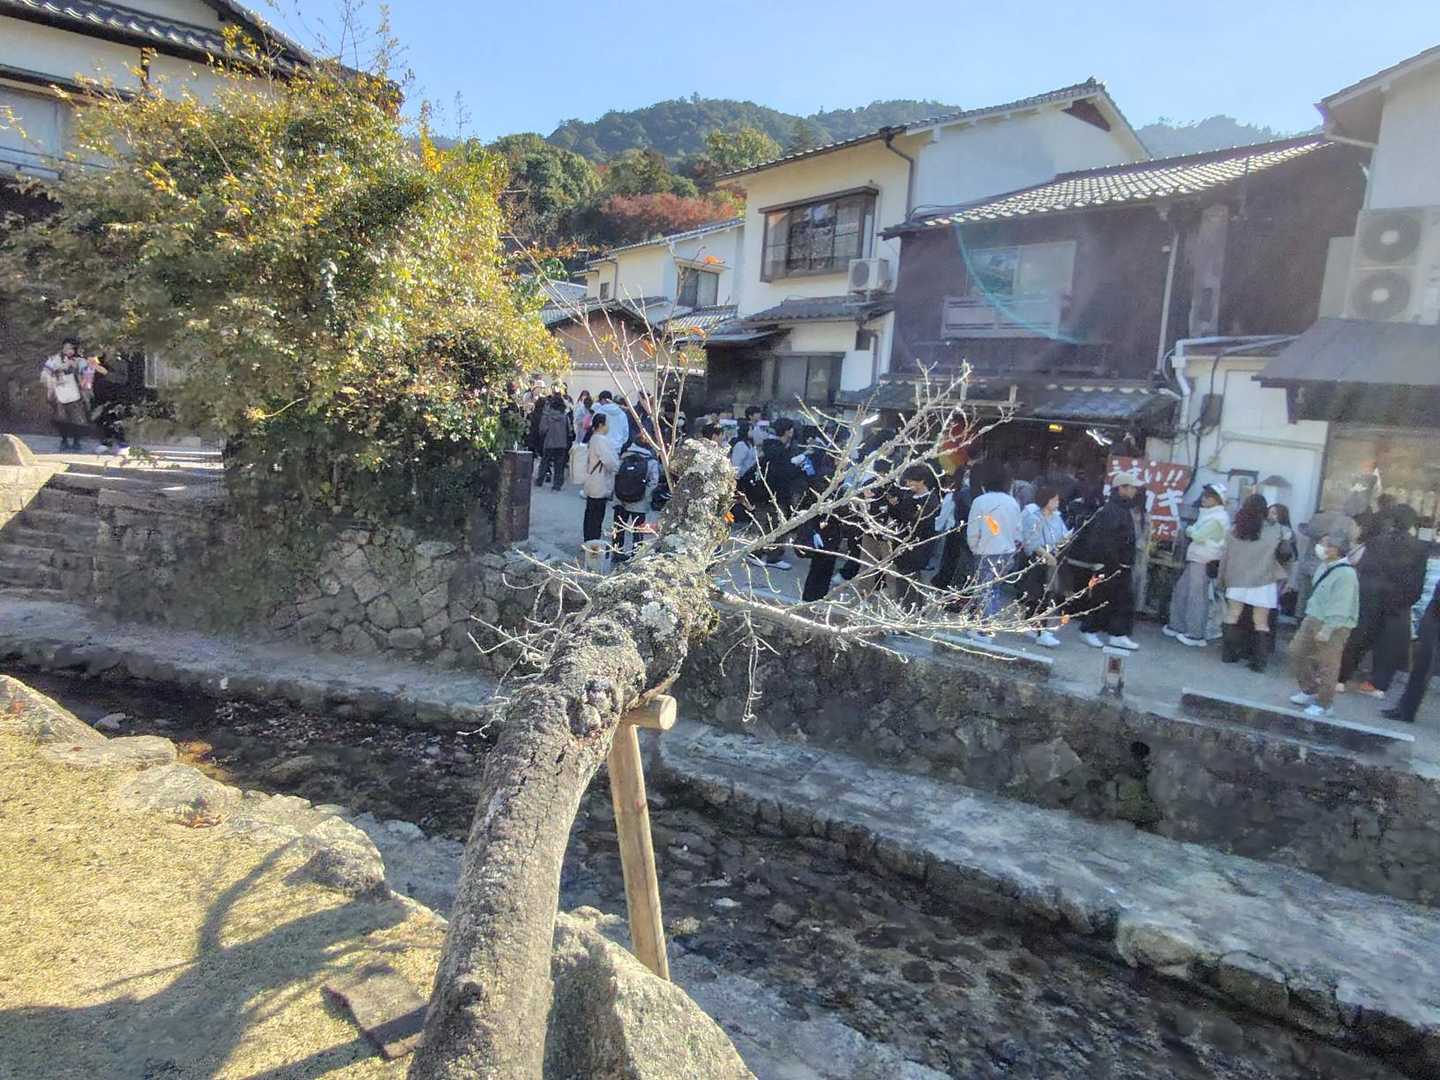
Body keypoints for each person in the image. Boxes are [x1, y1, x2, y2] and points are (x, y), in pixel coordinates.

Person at [1341, 505, 1428, 697]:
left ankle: (1342, 677)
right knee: (1389, 645)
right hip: (1399, 602)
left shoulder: (1376, 542)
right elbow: (1418, 581)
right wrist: (1407, 601)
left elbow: (1366, 569)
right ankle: (1377, 684)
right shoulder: (1419, 547)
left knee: (1358, 638)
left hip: (1372, 597)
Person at [1068, 470, 1141, 651]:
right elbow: (1103, 540)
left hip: (1122, 564)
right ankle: (1088, 630)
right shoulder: (1110, 510)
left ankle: (1118, 634)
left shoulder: (1123, 509)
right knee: (1101, 598)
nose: (1134, 491)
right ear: (1121, 488)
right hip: (1110, 564)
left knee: (1121, 601)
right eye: (1131, 487)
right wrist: (1111, 562)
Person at [1289, 533, 1360, 718]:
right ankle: (1309, 689)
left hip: (1333, 623)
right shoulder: (1324, 566)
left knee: (1328, 664)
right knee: (1297, 651)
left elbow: (1341, 604)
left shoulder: (1346, 573)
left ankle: (1324, 703)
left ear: (1337, 549)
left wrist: (1328, 629)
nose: (1322, 548)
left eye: (1327, 545)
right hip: (1313, 616)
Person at [1217, 493, 1288, 673]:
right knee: (1261, 622)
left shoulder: (1235, 530)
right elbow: (1285, 553)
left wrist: (1221, 579)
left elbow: (1225, 557)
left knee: (1232, 615)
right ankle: (1259, 662)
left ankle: (1228, 654)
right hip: (1263, 580)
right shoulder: (1274, 531)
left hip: (1237, 579)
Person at [1163, 482, 1229, 647]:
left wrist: (1190, 530)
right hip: (1196, 558)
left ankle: (1196, 634)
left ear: (1218, 500)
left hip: (1204, 560)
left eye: (1209, 496)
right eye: (1204, 495)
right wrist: (1193, 531)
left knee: (1197, 597)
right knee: (1182, 591)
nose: (1204, 499)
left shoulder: (1218, 518)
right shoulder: (1208, 514)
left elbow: (1198, 535)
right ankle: (1178, 625)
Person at [965, 461, 1022, 622]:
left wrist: (975, 548)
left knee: (983, 590)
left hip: (985, 551)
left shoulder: (980, 501)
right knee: (995, 589)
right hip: (1007, 553)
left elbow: (973, 530)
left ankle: (984, 626)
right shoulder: (1012, 502)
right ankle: (987, 622)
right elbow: (1018, 531)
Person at [747, 418, 804, 570]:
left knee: (767, 525)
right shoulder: (779, 450)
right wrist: (797, 466)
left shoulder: (771, 446)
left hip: (766, 493)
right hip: (774, 493)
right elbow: (783, 473)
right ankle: (765, 555)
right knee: (775, 526)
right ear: (787, 431)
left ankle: (761, 554)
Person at [1019, 484, 1070, 647]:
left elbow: (1063, 535)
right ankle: (1041, 631)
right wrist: (1047, 556)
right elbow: (1032, 542)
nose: (1057, 503)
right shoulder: (1033, 517)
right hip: (1038, 559)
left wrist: (1064, 541)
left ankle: (1033, 626)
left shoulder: (1057, 517)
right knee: (1040, 595)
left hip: (1053, 556)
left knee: (1046, 595)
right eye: (1054, 500)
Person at [1384, 576, 1439, 725]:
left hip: (1435, 619)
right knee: (1421, 668)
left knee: (1423, 667)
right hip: (1433, 618)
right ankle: (1406, 708)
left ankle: (1406, 709)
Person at [889, 465, 940, 608]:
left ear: (922, 481)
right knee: (907, 579)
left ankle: (908, 610)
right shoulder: (909, 496)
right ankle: (915, 609)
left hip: (918, 546)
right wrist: (893, 506)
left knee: (908, 580)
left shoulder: (930, 500)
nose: (907, 483)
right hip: (903, 544)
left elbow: (917, 522)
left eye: (911, 480)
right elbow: (899, 517)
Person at [611, 442, 660, 564]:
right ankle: (636, 555)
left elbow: (615, 474)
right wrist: (644, 495)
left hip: (620, 499)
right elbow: (654, 481)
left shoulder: (623, 457)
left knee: (618, 528)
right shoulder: (651, 461)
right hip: (639, 503)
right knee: (638, 530)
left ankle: (617, 553)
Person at [40, 339, 92, 451]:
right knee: (61, 418)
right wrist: (55, 376)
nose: (69, 350)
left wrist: (84, 383)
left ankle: (76, 441)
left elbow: (88, 376)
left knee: (78, 419)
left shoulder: (81, 361)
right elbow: (44, 376)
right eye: (67, 347)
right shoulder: (54, 359)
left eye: (72, 348)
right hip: (59, 393)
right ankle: (64, 440)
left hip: (77, 394)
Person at [931, 468, 974, 591]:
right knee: (958, 561)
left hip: (954, 531)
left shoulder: (954, 495)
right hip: (965, 532)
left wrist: (937, 528)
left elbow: (943, 516)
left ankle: (944, 584)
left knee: (950, 560)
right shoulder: (973, 495)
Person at [582, 413, 620, 543]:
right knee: (596, 515)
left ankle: (588, 539)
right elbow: (609, 461)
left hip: (592, 480)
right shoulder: (600, 440)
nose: (608, 427)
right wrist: (617, 467)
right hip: (599, 481)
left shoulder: (593, 438)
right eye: (607, 424)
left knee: (590, 513)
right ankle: (593, 541)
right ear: (601, 425)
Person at [534, 392, 571, 491]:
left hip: (549, 442)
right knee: (559, 464)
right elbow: (569, 430)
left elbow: (542, 430)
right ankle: (557, 484)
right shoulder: (565, 417)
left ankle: (540, 480)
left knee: (545, 462)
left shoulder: (547, 416)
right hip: (561, 443)